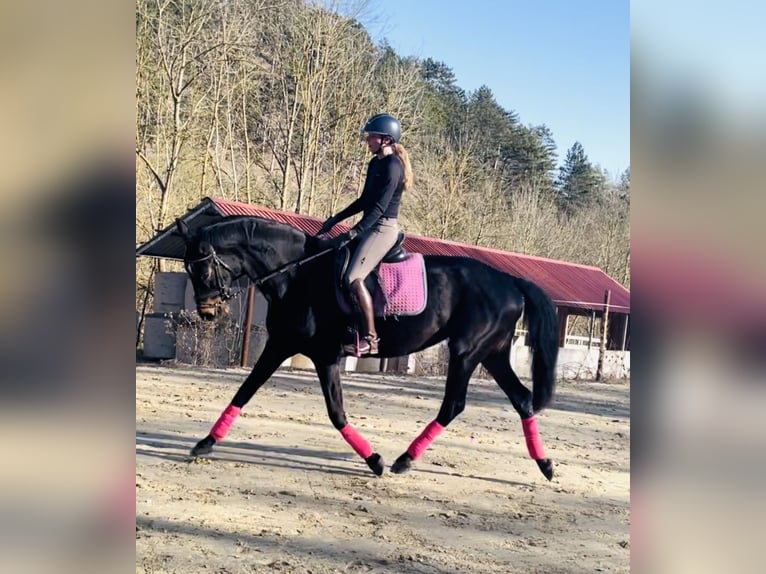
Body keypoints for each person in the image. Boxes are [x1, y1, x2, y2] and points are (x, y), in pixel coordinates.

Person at [319, 113, 413, 356]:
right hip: (371, 225)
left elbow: (380, 208)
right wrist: (335, 219)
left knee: (353, 277)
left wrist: (354, 231)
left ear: (386, 139)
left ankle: (371, 340)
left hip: (383, 228)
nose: (368, 140)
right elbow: (364, 201)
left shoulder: (394, 167)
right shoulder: (375, 164)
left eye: (372, 136)